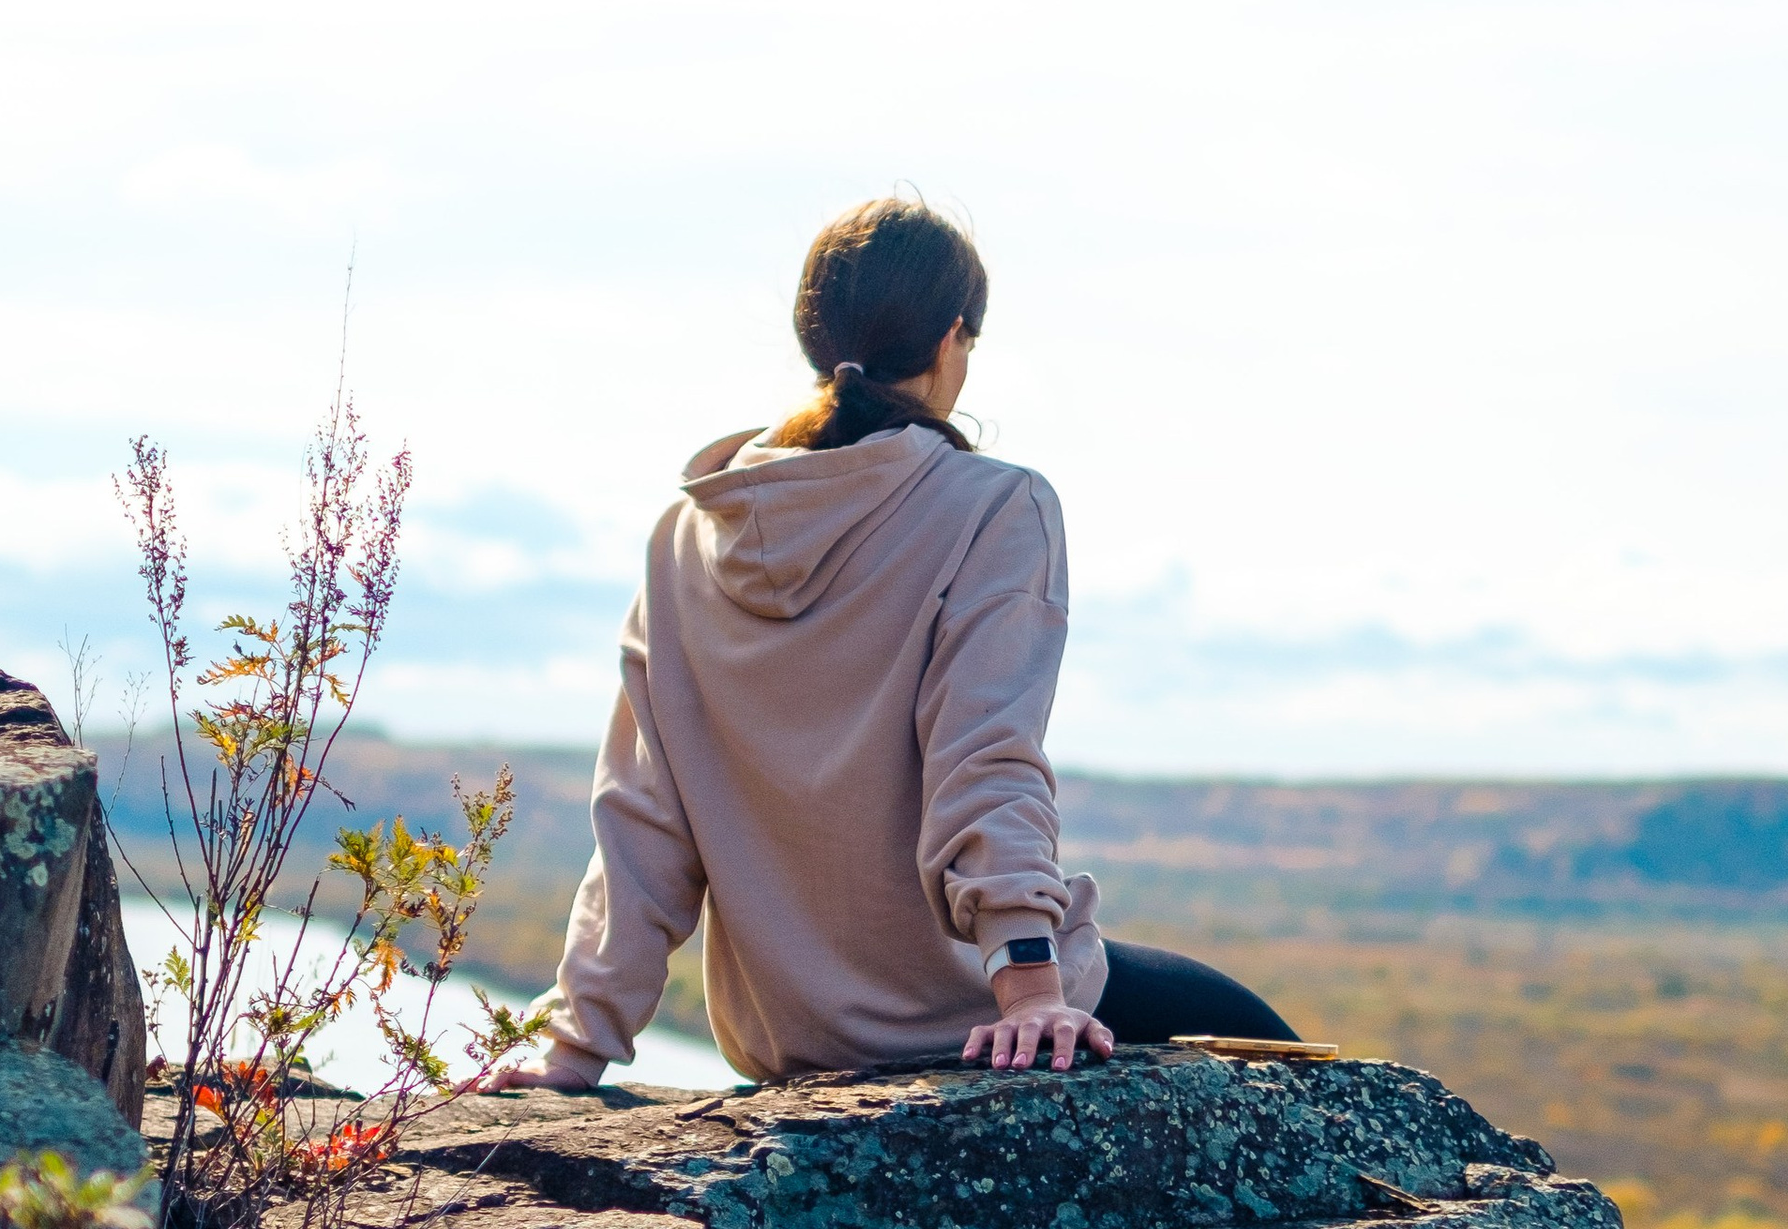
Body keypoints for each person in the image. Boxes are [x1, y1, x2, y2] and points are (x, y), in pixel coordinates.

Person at [502, 197, 1296, 1090]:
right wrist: (1032, 988)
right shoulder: (997, 508)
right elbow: (985, 756)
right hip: (967, 1012)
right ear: (953, 338)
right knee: (1287, 1058)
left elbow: (643, 822)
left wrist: (572, 1051)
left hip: (790, 1039)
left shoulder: (683, 538)